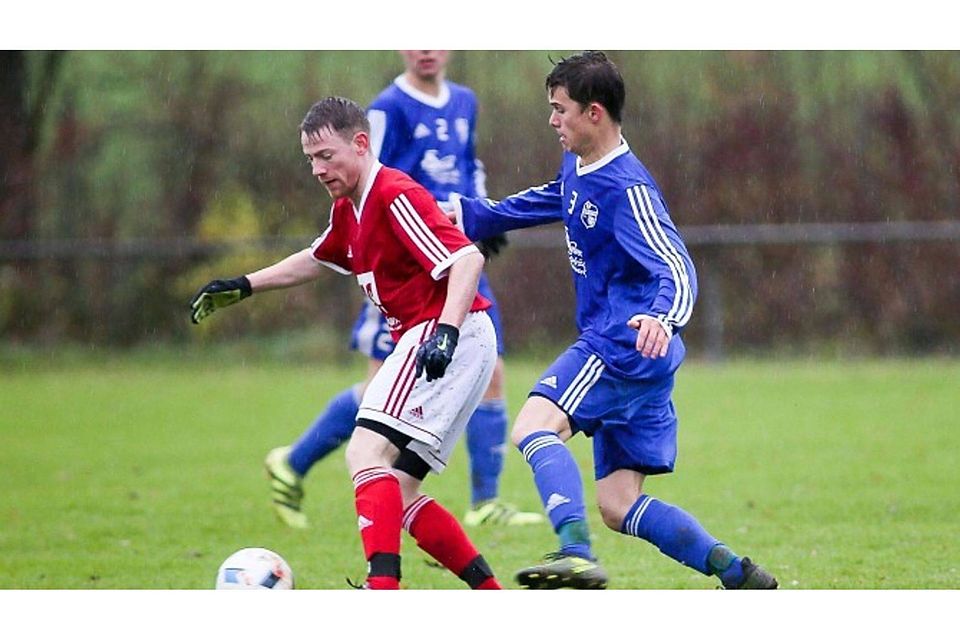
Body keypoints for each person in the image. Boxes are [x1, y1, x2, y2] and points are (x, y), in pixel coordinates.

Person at [451, 51, 778, 590]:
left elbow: (674, 263)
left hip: (620, 346)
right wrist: (475, 214)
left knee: (534, 426)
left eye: (561, 110)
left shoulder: (628, 191)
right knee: (619, 504)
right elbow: (557, 198)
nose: (553, 121)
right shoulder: (580, 165)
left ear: (595, 113)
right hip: (639, 358)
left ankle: (574, 552)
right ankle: (738, 573)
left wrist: (663, 317)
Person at [190, 96, 502, 590]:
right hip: (454, 340)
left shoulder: (393, 194)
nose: (317, 169)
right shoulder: (349, 209)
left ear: (360, 144)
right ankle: (491, 595)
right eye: (310, 159)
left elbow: (466, 260)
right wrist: (244, 284)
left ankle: (382, 591)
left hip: (444, 335)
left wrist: (443, 331)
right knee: (398, 489)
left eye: (326, 156)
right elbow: (316, 258)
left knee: (363, 453)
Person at [263, 50, 542, 531]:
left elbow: (468, 165)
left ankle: (485, 501)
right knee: (381, 389)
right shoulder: (388, 108)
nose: (426, 48)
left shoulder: (465, 101)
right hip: (401, 264)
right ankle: (295, 463)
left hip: (453, 253)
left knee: (490, 370)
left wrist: (481, 211)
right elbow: (372, 183)